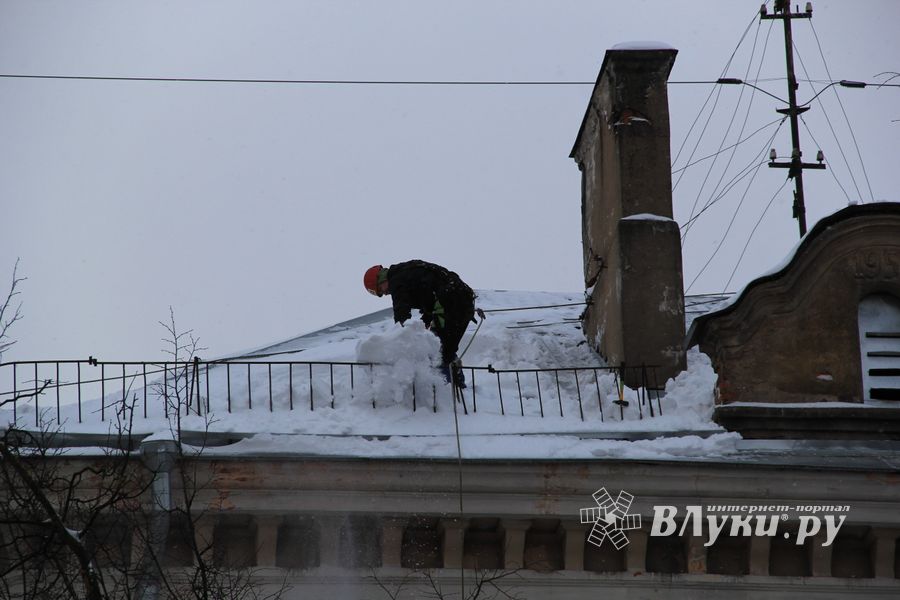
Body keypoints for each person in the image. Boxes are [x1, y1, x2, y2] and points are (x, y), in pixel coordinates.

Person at [364, 260, 476, 386]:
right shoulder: (406, 272)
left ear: (381, 279)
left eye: (380, 290)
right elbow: (427, 291)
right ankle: (457, 385)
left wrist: (399, 335)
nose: (384, 293)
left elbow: (401, 310)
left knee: (437, 352)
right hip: (464, 300)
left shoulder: (396, 280)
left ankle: (447, 390)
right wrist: (427, 318)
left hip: (452, 302)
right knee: (443, 348)